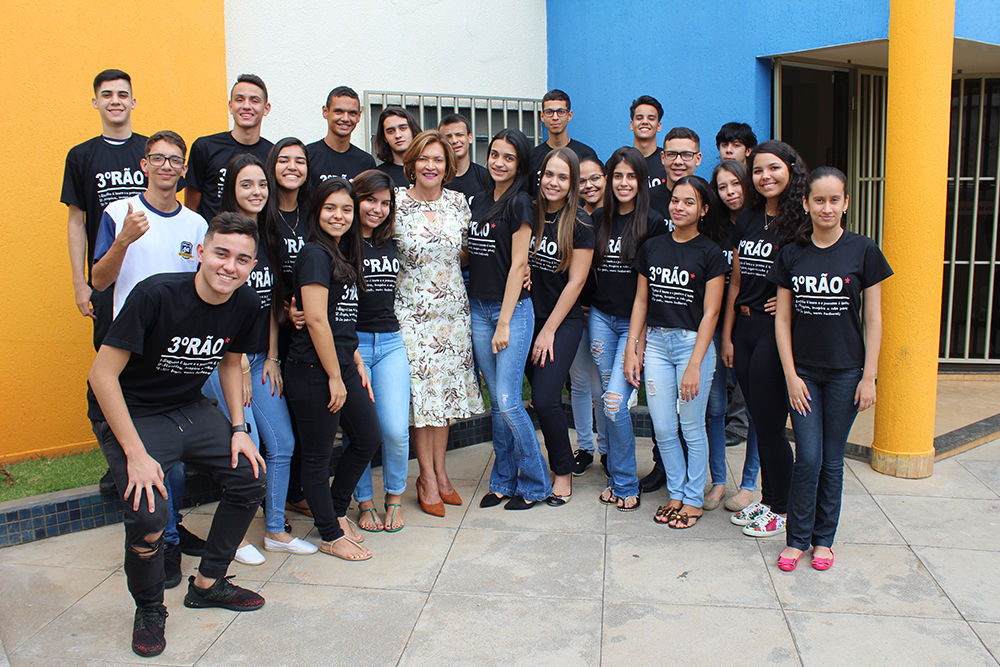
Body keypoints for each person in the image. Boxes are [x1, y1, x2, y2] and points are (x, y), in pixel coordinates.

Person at [88, 212, 267, 657]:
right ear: (201, 253)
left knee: (249, 476)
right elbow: (101, 376)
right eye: (221, 253)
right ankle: (150, 609)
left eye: (242, 259)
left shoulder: (246, 304)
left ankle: (208, 582)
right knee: (149, 513)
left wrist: (239, 428)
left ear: (252, 265)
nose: (230, 266)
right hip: (134, 411)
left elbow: (230, 361)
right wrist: (136, 454)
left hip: (187, 406)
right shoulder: (156, 295)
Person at [89, 129, 210, 588]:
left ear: (183, 170)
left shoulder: (195, 224)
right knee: (156, 454)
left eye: (174, 160)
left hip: (179, 352)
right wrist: (123, 240)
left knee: (177, 451)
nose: (166, 166)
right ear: (144, 164)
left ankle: (172, 529)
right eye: (157, 158)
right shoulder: (119, 213)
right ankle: (166, 542)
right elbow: (99, 281)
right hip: (134, 352)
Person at [771, 166, 891, 571]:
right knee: (807, 458)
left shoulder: (864, 250)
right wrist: (790, 376)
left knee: (832, 460)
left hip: (846, 373)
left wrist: (869, 376)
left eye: (834, 200)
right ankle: (796, 540)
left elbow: (873, 319)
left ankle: (823, 541)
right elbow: (782, 319)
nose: (827, 208)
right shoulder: (792, 253)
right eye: (819, 200)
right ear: (806, 204)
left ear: (846, 203)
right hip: (803, 373)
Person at [201, 154, 316, 563]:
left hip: (258, 357)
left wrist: (271, 356)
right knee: (243, 446)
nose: (256, 192)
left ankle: (275, 530)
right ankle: (231, 537)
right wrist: (238, 364)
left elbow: (267, 303)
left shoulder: (267, 238)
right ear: (231, 188)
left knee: (283, 442)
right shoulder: (222, 238)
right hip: (223, 361)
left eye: (262, 184)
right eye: (246, 184)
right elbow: (217, 309)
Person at [282, 177, 382, 561]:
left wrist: (353, 359)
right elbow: (316, 320)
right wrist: (335, 377)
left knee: (367, 437)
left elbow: (341, 318)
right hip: (313, 369)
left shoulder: (340, 253)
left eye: (346, 209)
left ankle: (337, 511)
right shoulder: (315, 254)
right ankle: (329, 534)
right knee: (317, 456)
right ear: (316, 211)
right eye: (330, 208)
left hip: (341, 364)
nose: (338, 216)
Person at [625, 176, 727, 528]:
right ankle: (677, 492)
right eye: (675, 200)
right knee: (664, 427)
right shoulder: (653, 247)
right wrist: (633, 348)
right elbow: (641, 302)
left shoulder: (710, 253)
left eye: (688, 202)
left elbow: (712, 313)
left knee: (691, 426)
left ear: (704, 210)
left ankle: (694, 498)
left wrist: (695, 364)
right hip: (656, 343)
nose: (679, 207)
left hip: (691, 346)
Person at [720, 140, 808, 539]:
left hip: (775, 332)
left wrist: (790, 303)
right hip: (744, 328)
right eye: (757, 170)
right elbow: (736, 280)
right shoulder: (750, 218)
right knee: (761, 420)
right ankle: (771, 501)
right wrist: (727, 334)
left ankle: (782, 509)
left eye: (773, 168)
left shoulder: (800, 221)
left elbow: (813, 274)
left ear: (791, 169)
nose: (765, 176)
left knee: (771, 426)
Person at [394, 130, 483, 516]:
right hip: (412, 314)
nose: (430, 166)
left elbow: (471, 252)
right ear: (411, 163)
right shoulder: (396, 203)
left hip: (452, 315)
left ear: (448, 166)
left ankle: (442, 473)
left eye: (438, 159)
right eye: (423, 158)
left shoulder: (458, 203)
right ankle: (426, 477)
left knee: (443, 397)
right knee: (422, 397)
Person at [470, 129, 553, 510]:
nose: (499, 162)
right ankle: (503, 480)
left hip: (512, 311)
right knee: (497, 404)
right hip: (479, 308)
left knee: (508, 401)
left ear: (520, 164)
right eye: (495, 154)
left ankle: (536, 483)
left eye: (508, 157)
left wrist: (504, 322)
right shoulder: (480, 200)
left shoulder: (520, 203)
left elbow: (519, 264)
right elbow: (475, 252)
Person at [590, 146, 663, 511]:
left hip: (634, 325)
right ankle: (619, 477)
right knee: (610, 403)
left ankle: (624, 482)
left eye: (631, 176)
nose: (623, 183)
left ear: (641, 181)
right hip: (601, 319)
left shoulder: (654, 223)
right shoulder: (598, 218)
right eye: (617, 176)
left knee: (615, 402)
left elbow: (652, 290)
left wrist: (639, 340)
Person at [63, 69, 148, 350]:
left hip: (150, 271)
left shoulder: (152, 152)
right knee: (110, 356)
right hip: (106, 277)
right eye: (107, 95)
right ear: (95, 102)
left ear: (133, 102)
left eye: (122, 95)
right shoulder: (80, 156)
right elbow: (76, 222)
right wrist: (80, 283)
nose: (115, 101)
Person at [527, 147, 594, 503]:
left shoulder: (580, 223)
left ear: (573, 183)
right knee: (530, 398)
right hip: (526, 317)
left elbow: (576, 282)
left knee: (545, 397)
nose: (554, 182)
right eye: (549, 174)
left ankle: (563, 471)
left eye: (562, 177)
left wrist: (549, 330)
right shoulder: (529, 212)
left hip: (561, 322)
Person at [350, 170, 410, 533]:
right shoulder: (342, 243)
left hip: (390, 342)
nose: (377, 208)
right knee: (361, 430)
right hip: (354, 344)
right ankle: (364, 502)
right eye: (370, 200)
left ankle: (394, 496)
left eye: (385, 203)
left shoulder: (393, 243)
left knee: (395, 429)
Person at [263, 138, 312, 518]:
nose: (292, 166)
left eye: (299, 160)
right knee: (278, 422)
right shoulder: (262, 215)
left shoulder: (312, 214)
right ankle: (274, 499)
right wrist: (282, 308)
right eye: (284, 160)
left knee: (302, 414)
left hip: (309, 326)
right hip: (271, 328)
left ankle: (298, 491)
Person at [708, 160, 761, 512]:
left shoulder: (761, 224)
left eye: (736, 184)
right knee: (714, 406)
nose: (730, 192)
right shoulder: (712, 226)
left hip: (753, 323)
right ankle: (717, 481)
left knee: (757, 407)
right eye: (722, 186)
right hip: (713, 324)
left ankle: (749, 483)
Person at [185, 74, 272, 220]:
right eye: (239, 99)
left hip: (256, 233)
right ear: (231, 106)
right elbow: (191, 208)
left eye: (254, 100)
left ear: (266, 108)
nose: (246, 106)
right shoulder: (205, 147)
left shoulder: (273, 154)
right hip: (213, 233)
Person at [570, 156, 608, 475]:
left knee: (601, 387)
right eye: (581, 180)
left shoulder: (615, 218)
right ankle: (584, 447)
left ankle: (607, 449)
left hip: (606, 314)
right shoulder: (572, 217)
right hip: (574, 312)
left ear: (605, 178)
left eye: (594, 178)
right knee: (580, 382)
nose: (589, 185)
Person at [529, 89, 597, 191]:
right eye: (549, 112)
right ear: (542, 116)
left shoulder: (586, 154)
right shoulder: (533, 157)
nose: (555, 117)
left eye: (561, 112)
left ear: (569, 115)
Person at [306, 86, 376, 183]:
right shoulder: (308, 156)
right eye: (339, 112)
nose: (345, 118)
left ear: (359, 116)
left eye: (352, 113)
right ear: (325, 112)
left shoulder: (366, 162)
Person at [649, 127, 703, 218]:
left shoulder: (707, 198)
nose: (678, 161)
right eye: (671, 154)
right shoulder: (647, 199)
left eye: (686, 155)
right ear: (662, 158)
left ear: (698, 159)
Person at [440, 112, 490, 199]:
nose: (454, 140)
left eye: (459, 135)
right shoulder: (437, 179)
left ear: (470, 137)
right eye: (448, 137)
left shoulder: (486, 177)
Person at [374, 107, 422, 189]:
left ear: (412, 130)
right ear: (384, 137)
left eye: (403, 128)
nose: (398, 135)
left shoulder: (428, 169)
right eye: (391, 131)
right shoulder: (378, 176)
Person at [629, 95, 668, 188]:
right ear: (631, 125)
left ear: (659, 126)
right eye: (639, 118)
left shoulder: (668, 161)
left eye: (651, 118)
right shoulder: (619, 161)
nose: (645, 122)